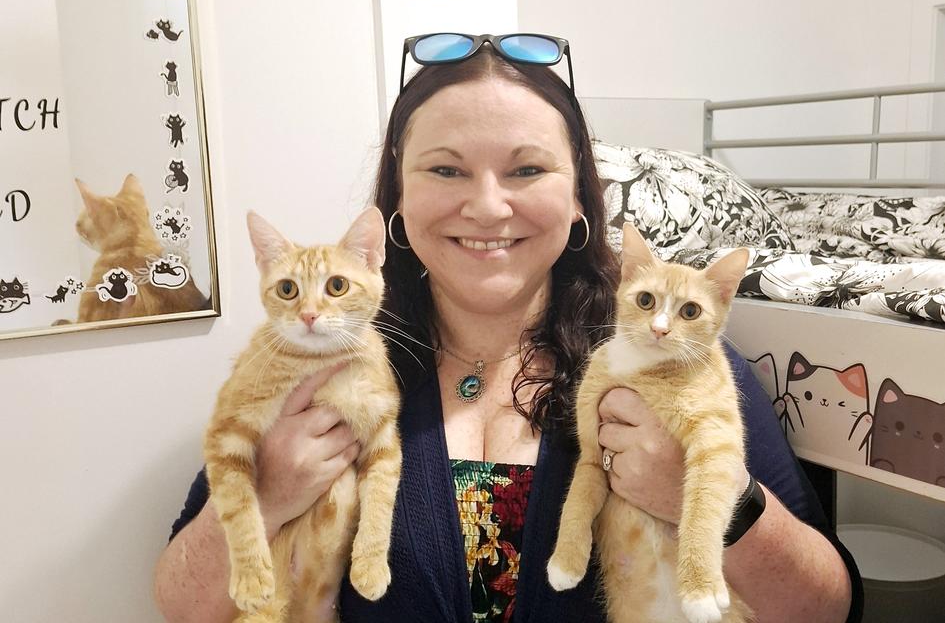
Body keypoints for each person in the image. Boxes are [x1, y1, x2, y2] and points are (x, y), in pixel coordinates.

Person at [154, 32, 863, 623]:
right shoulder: (321, 358)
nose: (488, 207)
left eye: (525, 168)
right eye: (445, 169)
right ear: (398, 198)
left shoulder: (673, 358)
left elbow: (827, 607)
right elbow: (181, 604)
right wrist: (269, 494)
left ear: (578, 198)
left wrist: (719, 503)